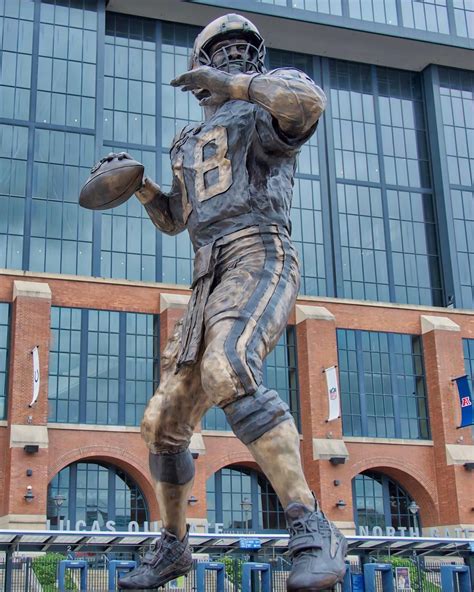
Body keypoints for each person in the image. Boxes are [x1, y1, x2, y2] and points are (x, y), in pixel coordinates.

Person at [117, 13, 347, 591]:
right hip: (206, 274)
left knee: (229, 365)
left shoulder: (265, 103)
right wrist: (139, 186)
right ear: (198, 70)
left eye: (244, 50)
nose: (234, 57)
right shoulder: (189, 141)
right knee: (161, 423)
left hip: (258, 252)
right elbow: (178, 219)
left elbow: (306, 105)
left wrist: (236, 87)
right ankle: (172, 545)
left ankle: (311, 525)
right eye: (221, 53)